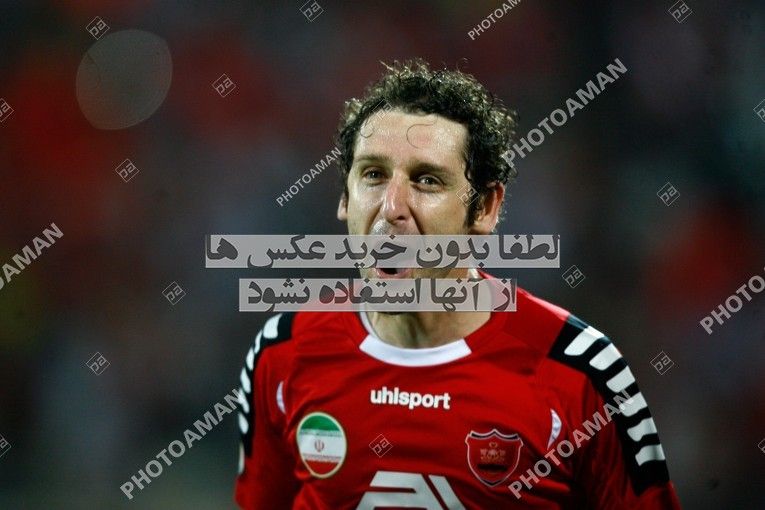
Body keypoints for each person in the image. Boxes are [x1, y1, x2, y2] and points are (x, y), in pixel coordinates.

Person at [234, 59, 682, 509]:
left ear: (484, 208)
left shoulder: (581, 371)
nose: (392, 207)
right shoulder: (283, 351)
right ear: (345, 198)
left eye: (427, 180)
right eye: (373, 175)